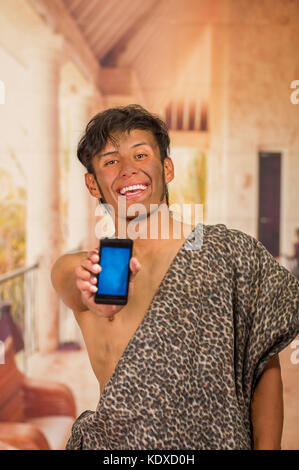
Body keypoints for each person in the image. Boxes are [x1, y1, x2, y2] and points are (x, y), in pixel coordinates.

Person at [51, 104, 299, 450]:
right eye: (110, 161)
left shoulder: (230, 253)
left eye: (141, 154)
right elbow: (69, 282)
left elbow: (263, 368)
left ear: (167, 168)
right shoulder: (85, 268)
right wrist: (89, 291)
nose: (127, 169)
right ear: (93, 183)